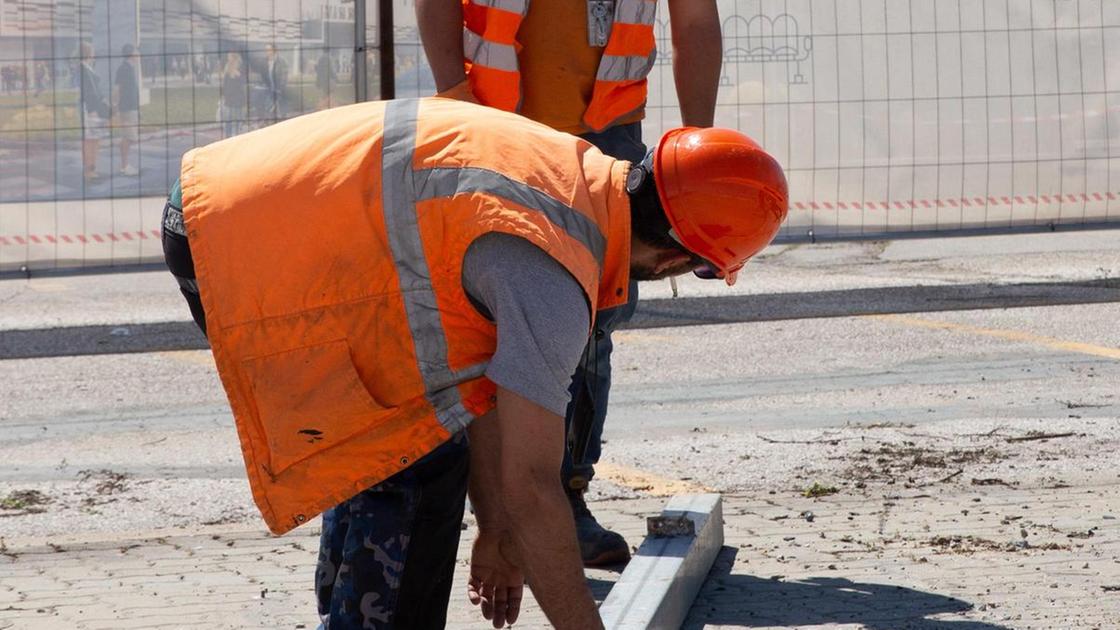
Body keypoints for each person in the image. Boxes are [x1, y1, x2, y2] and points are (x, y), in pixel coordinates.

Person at [161, 97, 786, 629]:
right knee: (412, 459)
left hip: (223, 203)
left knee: (406, 441)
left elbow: (479, 385)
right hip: (231, 238)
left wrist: (493, 532)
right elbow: (534, 487)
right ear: (681, 258)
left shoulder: (574, 176)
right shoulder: (554, 276)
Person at [416, 0, 723, 566]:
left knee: (587, 331)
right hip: (495, 130)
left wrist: (699, 147)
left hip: (606, 137)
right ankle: (485, 509)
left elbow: (696, 21)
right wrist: (455, 96)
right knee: (473, 317)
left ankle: (561, 501)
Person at [78, 42, 110, 183]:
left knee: (94, 140)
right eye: (92, 51)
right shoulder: (83, 69)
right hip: (91, 111)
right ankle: (89, 171)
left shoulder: (87, 68)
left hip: (94, 109)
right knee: (90, 140)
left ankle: (92, 169)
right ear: (88, 53)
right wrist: (92, 111)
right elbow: (88, 92)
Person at [113, 44, 141, 176]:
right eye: (136, 52)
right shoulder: (124, 69)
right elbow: (118, 89)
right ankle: (124, 166)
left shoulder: (130, 68)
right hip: (127, 109)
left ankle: (124, 165)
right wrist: (116, 106)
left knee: (129, 136)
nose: (138, 54)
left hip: (132, 108)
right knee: (129, 137)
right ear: (131, 54)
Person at [219, 52, 247, 138]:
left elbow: (243, 81)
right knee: (228, 118)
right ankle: (228, 136)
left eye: (230, 57)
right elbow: (225, 82)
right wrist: (224, 94)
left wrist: (237, 74)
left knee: (238, 118)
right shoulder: (227, 67)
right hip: (229, 97)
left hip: (238, 97)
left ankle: (238, 135)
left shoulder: (240, 67)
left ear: (234, 57)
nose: (228, 59)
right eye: (228, 57)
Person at [263, 44, 288, 121]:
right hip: (269, 89)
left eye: (268, 50)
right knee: (268, 108)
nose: (266, 52)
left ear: (274, 51)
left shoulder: (281, 61)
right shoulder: (265, 61)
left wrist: (281, 88)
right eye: (266, 50)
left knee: (280, 110)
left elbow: (284, 76)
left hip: (279, 90)